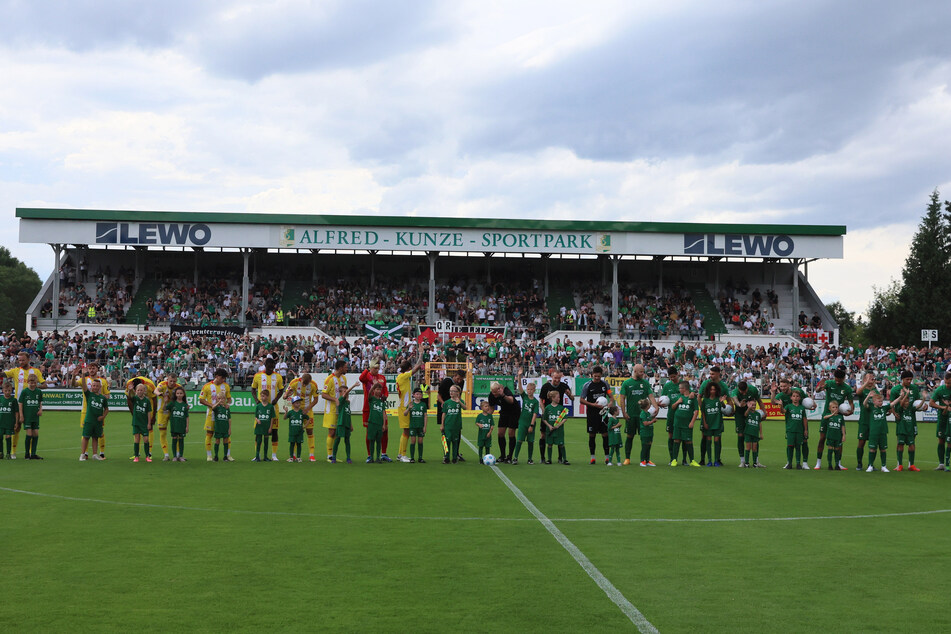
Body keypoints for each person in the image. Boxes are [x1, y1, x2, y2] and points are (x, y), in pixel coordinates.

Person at [4, 350, 46, 459]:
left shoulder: (35, 371)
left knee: (32, 430)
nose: (21, 362)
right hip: (18, 404)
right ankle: (13, 452)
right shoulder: (15, 371)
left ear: (28, 360)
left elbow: (44, 385)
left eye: (23, 360)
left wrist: (33, 387)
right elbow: (3, 373)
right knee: (16, 427)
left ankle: (31, 453)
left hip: (31, 407)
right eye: (19, 360)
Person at [813, 369, 854, 470]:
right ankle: (818, 462)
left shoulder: (847, 388)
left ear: (843, 379)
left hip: (838, 416)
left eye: (839, 380)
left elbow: (851, 403)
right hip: (826, 415)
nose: (837, 382)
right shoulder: (829, 383)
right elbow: (818, 390)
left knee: (839, 440)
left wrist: (851, 411)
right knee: (822, 438)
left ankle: (838, 463)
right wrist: (819, 387)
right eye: (836, 379)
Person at [619, 363, 657, 466]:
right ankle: (627, 458)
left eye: (643, 371)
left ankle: (645, 459)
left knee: (645, 438)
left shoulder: (645, 383)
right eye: (641, 372)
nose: (643, 373)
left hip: (643, 416)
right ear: (635, 371)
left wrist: (656, 407)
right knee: (630, 436)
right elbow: (622, 398)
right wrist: (623, 412)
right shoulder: (627, 383)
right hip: (631, 415)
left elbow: (651, 396)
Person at [697, 366, 733, 468]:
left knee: (718, 438)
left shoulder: (723, 386)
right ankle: (703, 459)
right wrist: (703, 409)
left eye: (713, 374)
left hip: (717, 416)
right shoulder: (705, 383)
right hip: (707, 415)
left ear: (718, 374)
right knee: (704, 437)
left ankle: (718, 459)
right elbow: (699, 397)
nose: (710, 375)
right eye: (710, 373)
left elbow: (729, 400)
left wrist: (730, 410)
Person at [772, 378, 810, 469]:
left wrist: (813, 404)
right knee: (790, 445)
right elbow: (774, 403)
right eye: (781, 386)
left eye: (784, 386)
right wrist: (773, 392)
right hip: (791, 426)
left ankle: (803, 463)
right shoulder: (782, 397)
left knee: (803, 443)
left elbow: (807, 401)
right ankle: (789, 462)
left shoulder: (799, 392)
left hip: (801, 426)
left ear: (789, 385)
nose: (783, 388)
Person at [251, 359, 285, 462]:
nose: (271, 369)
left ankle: (274, 455)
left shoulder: (278, 376)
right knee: (259, 431)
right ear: (265, 366)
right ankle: (257, 455)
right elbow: (253, 389)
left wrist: (276, 399)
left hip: (273, 407)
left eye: (272, 367)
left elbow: (281, 390)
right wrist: (256, 400)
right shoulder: (258, 376)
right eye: (269, 367)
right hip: (261, 407)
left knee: (274, 431)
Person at [75, 362, 109, 459]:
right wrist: (75, 375)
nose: (91, 370)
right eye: (90, 368)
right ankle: (84, 453)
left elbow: (107, 395)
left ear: (97, 369)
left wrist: (101, 397)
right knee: (85, 433)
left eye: (93, 368)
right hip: (86, 411)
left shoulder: (103, 381)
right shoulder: (84, 380)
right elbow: (74, 384)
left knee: (99, 433)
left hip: (98, 412)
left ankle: (101, 453)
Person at [890, 370, 921, 472]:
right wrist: (894, 413)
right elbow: (891, 404)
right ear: (902, 379)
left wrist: (923, 407)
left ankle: (911, 465)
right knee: (900, 443)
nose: (909, 381)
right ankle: (899, 464)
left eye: (910, 380)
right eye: (907, 379)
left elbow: (917, 403)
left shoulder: (914, 389)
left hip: (912, 420)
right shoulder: (895, 389)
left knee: (912, 443)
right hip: (901, 420)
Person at [360, 360, 391, 462]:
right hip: (368, 409)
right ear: (371, 368)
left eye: (378, 368)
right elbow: (361, 378)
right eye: (375, 368)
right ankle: (370, 455)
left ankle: (383, 453)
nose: (377, 370)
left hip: (379, 407)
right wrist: (368, 369)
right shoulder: (367, 376)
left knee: (384, 429)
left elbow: (385, 390)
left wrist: (385, 396)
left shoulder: (382, 378)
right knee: (369, 432)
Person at [396, 354, 424, 462]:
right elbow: (416, 368)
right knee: (406, 431)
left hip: (405, 405)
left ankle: (400, 454)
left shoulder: (401, 376)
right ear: (408, 369)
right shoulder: (403, 376)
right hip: (404, 407)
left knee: (406, 431)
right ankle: (402, 454)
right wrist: (420, 354)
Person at [538, 369, 571, 463]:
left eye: (559, 378)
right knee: (543, 434)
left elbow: (572, 398)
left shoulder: (564, 386)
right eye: (555, 377)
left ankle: (560, 458)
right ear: (551, 377)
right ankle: (543, 458)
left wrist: (570, 395)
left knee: (559, 434)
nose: (557, 379)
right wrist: (544, 411)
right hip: (548, 413)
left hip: (559, 414)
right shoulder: (546, 387)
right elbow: (541, 400)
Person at [580, 366, 611, 465]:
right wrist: (593, 404)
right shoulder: (587, 385)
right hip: (592, 414)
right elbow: (581, 400)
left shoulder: (605, 384)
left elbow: (611, 397)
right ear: (592, 375)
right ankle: (592, 458)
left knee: (605, 434)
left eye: (598, 376)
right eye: (595, 376)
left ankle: (607, 458)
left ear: (601, 375)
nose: (597, 378)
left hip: (603, 414)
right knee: (592, 435)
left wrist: (609, 405)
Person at [286, 372, 319, 461]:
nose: (304, 385)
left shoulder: (314, 385)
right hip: (296, 411)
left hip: (308, 411)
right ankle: (293, 454)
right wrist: (286, 395)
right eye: (303, 383)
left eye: (306, 383)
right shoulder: (294, 382)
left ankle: (311, 455)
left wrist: (307, 408)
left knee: (309, 431)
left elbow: (316, 399)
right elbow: (287, 393)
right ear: (301, 379)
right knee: (295, 431)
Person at [733, 380, 765, 467]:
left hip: (751, 413)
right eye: (741, 392)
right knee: (740, 436)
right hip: (740, 414)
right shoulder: (735, 391)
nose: (743, 393)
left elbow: (760, 401)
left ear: (747, 388)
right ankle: (742, 461)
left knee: (754, 435)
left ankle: (756, 461)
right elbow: (735, 399)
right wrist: (739, 404)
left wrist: (764, 412)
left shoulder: (753, 390)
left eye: (745, 392)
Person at [125, 371, 157, 458]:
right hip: (137, 406)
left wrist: (154, 415)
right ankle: (137, 453)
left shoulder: (150, 385)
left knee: (149, 429)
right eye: (136, 390)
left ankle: (149, 453)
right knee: (136, 433)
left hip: (148, 401)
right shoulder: (129, 384)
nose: (138, 392)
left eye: (140, 390)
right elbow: (129, 399)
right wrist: (133, 413)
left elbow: (154, 399)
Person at [321, 360, 348, 462]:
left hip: (340, 410)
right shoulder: (329, 379)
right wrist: (335, 399)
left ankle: (334, 455)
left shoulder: (344, 378)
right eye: (345, 367)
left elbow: (344, 393)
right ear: (340, 367)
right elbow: (323, 394)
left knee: (337, 433)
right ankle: (329, 456)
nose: (347, 369)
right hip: (331, 410)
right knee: (331, 432)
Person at [437, 369, 466, 462]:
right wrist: (443, 403)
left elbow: (460, 398)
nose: (459, 381)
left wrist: (458, 402)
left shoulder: (461, 383)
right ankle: (446, 455)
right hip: (446, 406)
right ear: (455, 375)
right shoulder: (446, 381)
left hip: (455, 411)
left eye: (461, 379)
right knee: (446, 436)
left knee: (457, 435)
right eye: (458, 378)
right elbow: (439, 395)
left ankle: (455, 454)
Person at [487, 380, 519, 463]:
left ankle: (510, 457)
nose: (494, 395)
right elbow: (491, 408)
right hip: (504, 412)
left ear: (499, 389)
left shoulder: (506, 391)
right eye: (493, 393)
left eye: (495, 393)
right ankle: (502, 455)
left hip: (514, 412)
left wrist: (503, 395)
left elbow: (511, 401)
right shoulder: (492, 395)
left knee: (511, 433)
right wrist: (487, 417)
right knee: (500, 433)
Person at [669, 381, 700, 467]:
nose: (679, 390)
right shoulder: (679, 397)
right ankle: (674, 460)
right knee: (676, 440)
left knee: (688, 441)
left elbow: (696, 411)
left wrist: (692, 422)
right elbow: (672, 407)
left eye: (680, 388)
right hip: (677, 423)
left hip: (687, 424)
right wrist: (677, 402)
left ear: (684, 389)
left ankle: (692, 460)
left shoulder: (692, 398)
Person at [512, 371, 538, 465]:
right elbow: (519, 387)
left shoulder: (535, 402)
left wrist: (531, 425)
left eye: (531, 389)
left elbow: (535, 414)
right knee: (519, 440)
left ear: (534, 390)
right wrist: (519, 376)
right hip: (522, 422)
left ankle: (530, 459)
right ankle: (515, 458)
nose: (529, 391)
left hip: (530, 424)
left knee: (530, 441)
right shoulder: (525, 397)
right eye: (528, 389)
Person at [854, 372, 879, 471]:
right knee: (861, 442)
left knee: (873, 443)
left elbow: (879, 401)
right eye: (869, 378)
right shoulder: (863, 389)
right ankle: (859, 463)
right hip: (864, 420)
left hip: (874, 421)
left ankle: (871, 464)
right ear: (864, 379)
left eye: (872, 379)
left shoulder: (875, 390)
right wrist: (866, 383)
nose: (871, 381)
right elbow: (858, 392)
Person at [79, 377, 108, 461]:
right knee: (86, 437)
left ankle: (95, 454)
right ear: (91, 386)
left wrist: (103, 416)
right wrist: (84, 375)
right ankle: (82, 454)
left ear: (100, 387)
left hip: (98, 422)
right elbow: (84, 386)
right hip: (89, 420)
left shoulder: (102, 398)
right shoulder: (89, 395)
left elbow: (106, 409)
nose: (94, 387)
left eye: (96, 386)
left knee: (95, 437)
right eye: (93, 385)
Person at [154, 370, 180, 461]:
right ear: (167, 379)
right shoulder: (162, 384)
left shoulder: (178, 387)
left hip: (174, 412)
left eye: (174, 381)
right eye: (170, 381)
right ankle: (166, 454)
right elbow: (156, 390)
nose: (172, 383)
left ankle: (177, 454)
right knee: (163, 433)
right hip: (162, 411)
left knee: (176, 433)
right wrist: (160, 393)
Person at [18, 373, 43, 460]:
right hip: (27, 416)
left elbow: (40, 402)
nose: (32, 384)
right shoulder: (25, 392)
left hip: (35, 417)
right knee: (29, 434)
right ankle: (26, 454)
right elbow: (20, 404)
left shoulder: (39, 392)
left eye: (34, 383)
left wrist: (40, 410)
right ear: (28, 382)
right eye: (31, 383)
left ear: (36, 383)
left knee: (36, 434)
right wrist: (21, 415)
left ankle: (33, 454)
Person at [929, 372, 951, 470]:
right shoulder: (940, 390)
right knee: (941, 440)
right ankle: (941, 464)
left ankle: (947, 464)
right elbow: (931, 403)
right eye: (946, 382)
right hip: (942, 419)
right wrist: (943, 407)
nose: (947, 385)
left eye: (949, 383)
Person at [699, 382, 724, 466]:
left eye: (714, 389)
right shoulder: (705, 400)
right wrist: (704, 422)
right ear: (708, 390)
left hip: (717, 423)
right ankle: (709, 460)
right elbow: (703, 412)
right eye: (711, 389)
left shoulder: (718, 399)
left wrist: (722, 402)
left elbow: (724, 408)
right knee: (708, 442)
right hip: (708, 424)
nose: (712, 391)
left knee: (717, 441)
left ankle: (716, 460)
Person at [863, 391, 890, 472]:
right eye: (879, 401)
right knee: (872, 449)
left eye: (881, 401)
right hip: (873, 432)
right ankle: (870, 465)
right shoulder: (871, 408)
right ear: (874, 401)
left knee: (883, 449)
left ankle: (883, 466)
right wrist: (868, 396)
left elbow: (892, 404)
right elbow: (864, 404)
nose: (881, 402)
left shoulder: (884, 408)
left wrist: (901, 397)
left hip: (883, 432)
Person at [660, 368, 681, 464]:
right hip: (671, 415)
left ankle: (684, 459)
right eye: (670, 377)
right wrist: (661, 403)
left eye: (674, 376)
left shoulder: (683, 385)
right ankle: (672, 458)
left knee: (683, 437)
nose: (672, 378)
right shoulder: (667, 386)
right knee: (671, 435)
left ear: (677, 374)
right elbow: (663, 399)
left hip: (682, 415)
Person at [543, 388, 570, 465]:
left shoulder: (561, 408)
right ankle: (549, 459)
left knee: (561, 444)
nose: (559, 398)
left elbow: (565, 418)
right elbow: (544, 419)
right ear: (553, 398)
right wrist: (549, 426)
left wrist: (558, 425)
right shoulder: (547, 408)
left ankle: (565, 459)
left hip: (559, 430)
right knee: (550, 444)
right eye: (558, 397)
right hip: (550, 430)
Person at [333, 383, 358, 464]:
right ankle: (334, 457)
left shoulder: (348, 403)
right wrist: (354, 385)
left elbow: (348, 414)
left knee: (347, 441)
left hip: (347, 423)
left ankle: (348, 457)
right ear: (340, 393)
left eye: (346, 391)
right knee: (337, 439)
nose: (346, 393)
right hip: (341, 423)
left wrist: (351, 425)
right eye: (344, 391)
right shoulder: (340, 400)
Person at [783, 389, 808, 469]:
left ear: (800, 398)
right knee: (790, 446)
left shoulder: (802, 408)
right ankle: (789, 463)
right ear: (791, 398)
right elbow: (783, 411)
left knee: (798, 447)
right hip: (790, 430)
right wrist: (780, 405)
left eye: (797, 396)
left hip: (799, 430)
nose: (795, 398)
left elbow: (804, 419)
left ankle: (798, 463)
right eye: (794, 396)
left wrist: (805, 430)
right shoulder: (788, 406)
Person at [166, 385, 190, 461]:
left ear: (183, 394)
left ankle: (181, 456)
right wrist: (165, 402)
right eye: (178, 393)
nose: (179, 395)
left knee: (181, 440)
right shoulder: (172, 403)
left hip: (182, 425)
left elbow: (187, 416)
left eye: (181, 393)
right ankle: (174, 456)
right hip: (174, 425)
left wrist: (187, 426)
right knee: (174, 439)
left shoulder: (185, 405)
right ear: (175, 394)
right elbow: (164, 409)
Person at [441, 384, 464, 464]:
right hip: (448, 425)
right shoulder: (447, 402)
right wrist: (442, 425)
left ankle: (454, 458)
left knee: (455, 442)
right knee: (446, 442)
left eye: (453, 391)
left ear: (458, 393)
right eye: (450, 391)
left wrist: (459, 402)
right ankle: (446, 457)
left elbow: (465, 408)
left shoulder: (460, 402)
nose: (451, 392)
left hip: (456, 425)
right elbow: (444, 414)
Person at [366, 383, 388, 463]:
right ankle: (371, 457)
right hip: (372, 422)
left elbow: (383, 413)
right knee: (371, 440)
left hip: (379, 423)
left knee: (379, 441)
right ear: (374, 390)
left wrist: (384, 424)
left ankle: (378, 457)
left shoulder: (382, 402)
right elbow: (369, 393)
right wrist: (373, 386)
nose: (378, 391)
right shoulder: (371, 399)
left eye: (379, 389)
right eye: (377, 389)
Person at [253, 389, 276, 462]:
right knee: (259, 441)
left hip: (267, 426)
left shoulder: (270, 407)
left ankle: (265, 456)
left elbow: (272, 418)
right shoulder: (258, 406)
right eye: (261, 396)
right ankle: (257, 456)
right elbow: (256, 416)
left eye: (263, 396)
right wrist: (257, 420)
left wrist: (270, 427)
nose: (262, 397)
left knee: (266, 441)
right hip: (259, 426)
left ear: (267, 397)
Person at [822, 401, 846, 471]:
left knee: (837, 450)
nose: (835, 409)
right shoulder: (828, 415)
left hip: (837, 436)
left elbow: (842, 426)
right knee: (830, 449)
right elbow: (824, 417)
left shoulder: (840, 417)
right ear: (830, 408)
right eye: (833, 407)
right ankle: (830, 464)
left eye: (836, 407)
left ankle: (837, 464)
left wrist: (844, 435)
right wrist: (832, 414)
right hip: (830, 436)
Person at [211, 392, 232, 462]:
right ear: (217, 399)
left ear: (225, 399)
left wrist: (229, 428)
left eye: (223, 398)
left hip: (225, 427)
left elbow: (229, 419)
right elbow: (212, 407)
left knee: (225, 441)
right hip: (218, 427)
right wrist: (218, 403)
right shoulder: (217, 407)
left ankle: (225, 456)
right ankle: (216, 456)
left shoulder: (227, 408)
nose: (221, 400)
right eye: (219, 398)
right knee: (217, 441)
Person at [286, 396, 309, 462]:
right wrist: (286, 412)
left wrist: (305, 426)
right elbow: (284, 418)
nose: (298, 404)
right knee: (292, 444)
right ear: (293, 404)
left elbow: (308, 418)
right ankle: (291, 457)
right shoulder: (290, 412)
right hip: (292, 431)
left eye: (299, 403)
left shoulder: (302, 412)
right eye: (297, 403)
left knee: (299, 444)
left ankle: (298, 457)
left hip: (299, 431)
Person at [407, 387, 427, 463]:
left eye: (420, 394)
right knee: (413, 441)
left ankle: (420, 458)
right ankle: (412, 458)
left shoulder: (423, 404)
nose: (418, 396)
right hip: (413, 426)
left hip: (420, 426)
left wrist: (425, 427)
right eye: (417, 394)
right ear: (413, 395)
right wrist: (408, 409)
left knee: (420, 441)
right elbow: (405, 414)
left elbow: (425, 416)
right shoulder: (411, 404)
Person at [742, 402, 764, 468]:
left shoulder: (758, 414)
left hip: (755, 433)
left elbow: (759, 424)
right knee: (748, 448)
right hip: (748, 433)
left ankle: (754, 463)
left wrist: (761, 433)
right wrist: (748, 408)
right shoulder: (748, 412)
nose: (753, 406)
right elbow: (745, 414)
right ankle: (746, 463)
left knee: (754, 448)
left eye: (754, 405)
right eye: (752, 405)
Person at [0, 381, 18, 459]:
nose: (7, 392)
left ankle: (8, 453)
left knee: (8, 437)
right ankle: (1, 452)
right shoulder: (0, 399)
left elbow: (16, 412)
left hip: (10, 422)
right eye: (6, 390)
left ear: (12, 390)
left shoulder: (13, 400)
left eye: (9, 390)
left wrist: (16, 422)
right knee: (0, 437)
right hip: (1, 422)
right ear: (2, 390)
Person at [637, 398, 657, 466]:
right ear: (647, 406)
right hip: (644, 432)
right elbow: (645, 423)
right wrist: (652, 421)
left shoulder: (648, 413)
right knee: (644, 446)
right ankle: (642, 461)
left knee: (649, 446)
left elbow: (650, 419)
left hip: (650, 432)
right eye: (649, 404)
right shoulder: (643, 413)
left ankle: (647, 460)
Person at [475, 400, 495, 464]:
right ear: (482, 408)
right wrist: (479, 424)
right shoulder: (480, 416)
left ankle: (487, 458)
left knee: (487, 447)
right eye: (486, 406)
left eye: (488, 406)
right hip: (481, 434)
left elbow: (492, 425)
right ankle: (480, 459)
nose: (487, 407)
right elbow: (476, 422)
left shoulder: (490, 416)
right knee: (480, 446)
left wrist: (490, 432)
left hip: (488, 435)